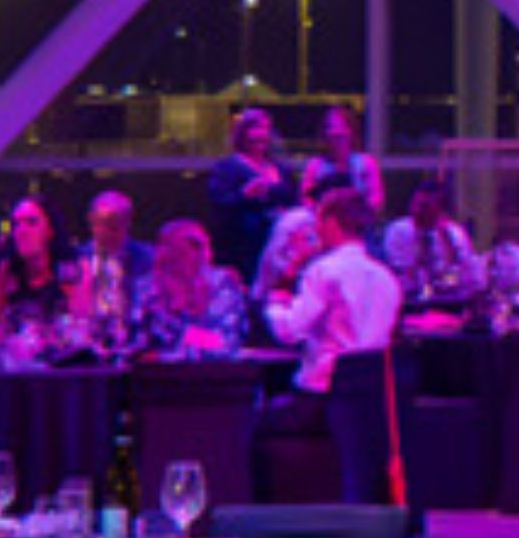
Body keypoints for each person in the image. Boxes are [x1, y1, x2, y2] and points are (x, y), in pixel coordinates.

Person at [267, 188, 407, 501]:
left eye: (319, 221)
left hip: (324, 396)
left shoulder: (324, 272)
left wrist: (276, 301)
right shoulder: (387, 278)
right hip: (372, 398)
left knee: (258, 415)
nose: (316, 229)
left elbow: (290, 331)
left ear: (332, 221)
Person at [134, 220, 248, 358]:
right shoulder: (147, 289)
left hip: (213, 368)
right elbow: (141, 341)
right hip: (158, 370)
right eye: (165, 250)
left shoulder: (222, 285)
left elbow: (224, 342)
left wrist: (183, 328)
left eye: (180, 254)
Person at [207, 108, 300, 273]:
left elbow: (293, 199)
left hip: (280, 247)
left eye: (265, 128)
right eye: (255, 128)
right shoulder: (227, 168)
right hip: (245, 249)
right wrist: (244, 195)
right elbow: (218, 203)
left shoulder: (281, 169)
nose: (260, 135)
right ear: (242, 133)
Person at [378, 180, 482, 300]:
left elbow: (464, 272)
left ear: (439, 210)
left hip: (448, 296)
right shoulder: (399, 231)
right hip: (410, 297)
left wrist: (445, 239)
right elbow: (405, 273)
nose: (416, 211)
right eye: (414, 204)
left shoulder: (454, 234)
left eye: (424, 206)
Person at [0, 197, 74, 335]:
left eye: (31, 222)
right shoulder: (8, 270)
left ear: (50, 230)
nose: (21, 231)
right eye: (16, 224)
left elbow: (81, 327)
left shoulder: (70, 269)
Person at [71, 190, 152, 331]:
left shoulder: (146, 259)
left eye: (113, 225)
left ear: (127, 224)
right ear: (91, 221)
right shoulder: (76, 258)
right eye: (100, 223)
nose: (105, 232)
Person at [302, 107, 387, 216]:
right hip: (323, 219)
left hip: (358, 220)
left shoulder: (366, 163)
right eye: (331, 129)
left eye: (340, 134)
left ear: (351, 132)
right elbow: (306, 199)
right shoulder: (315, 166)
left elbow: (377, 199)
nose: (335, 133)